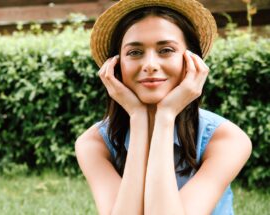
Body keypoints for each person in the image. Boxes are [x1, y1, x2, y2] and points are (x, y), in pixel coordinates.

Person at [75, 0, 252, 214]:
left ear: (191, 62)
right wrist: (138, 117)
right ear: (115, 65)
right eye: (135, 52)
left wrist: (166, 116)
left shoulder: (227, 140)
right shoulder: (93, 144)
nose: (150, 64)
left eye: (166, 50)